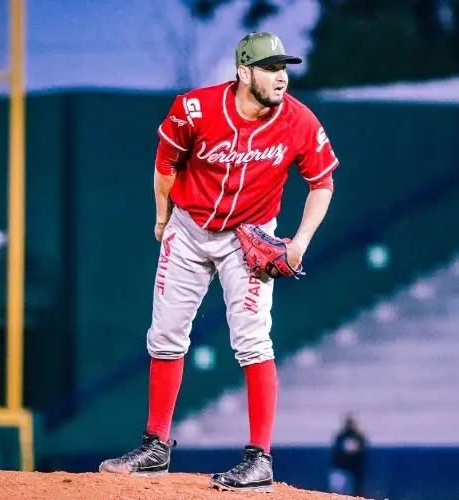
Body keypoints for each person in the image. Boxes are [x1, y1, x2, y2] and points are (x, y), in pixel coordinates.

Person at [98, 31, 340, 493]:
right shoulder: (196, 109)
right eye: (269, 68)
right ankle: (155, 447)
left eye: (283, 68)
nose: (280, 77)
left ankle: (260, 459)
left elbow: (322, 182)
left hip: (248, 238)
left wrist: (299, 243)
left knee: (252, 340)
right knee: (166, 333)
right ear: (243, 71)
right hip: (188, 229)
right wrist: (161, 218)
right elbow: (166, 161)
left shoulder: (300, 121)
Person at [329, 414, 367, 497]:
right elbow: (336, 451)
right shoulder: (341, 436)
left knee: (354, 492)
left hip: (354, 469)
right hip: (341, 468)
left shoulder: (358, 436)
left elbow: (362, 450)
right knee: (338, 492)